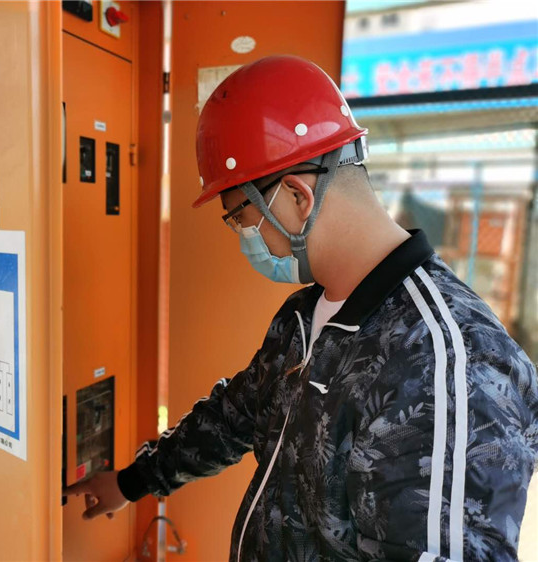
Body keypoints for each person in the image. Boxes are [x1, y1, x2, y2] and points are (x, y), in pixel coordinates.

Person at [64, 56, 538, 561]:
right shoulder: (305, 316)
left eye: (240, 217)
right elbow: (234, 416)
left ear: (296, 195)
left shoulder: (447, 367)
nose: (245, 237)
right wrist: (132, 481)